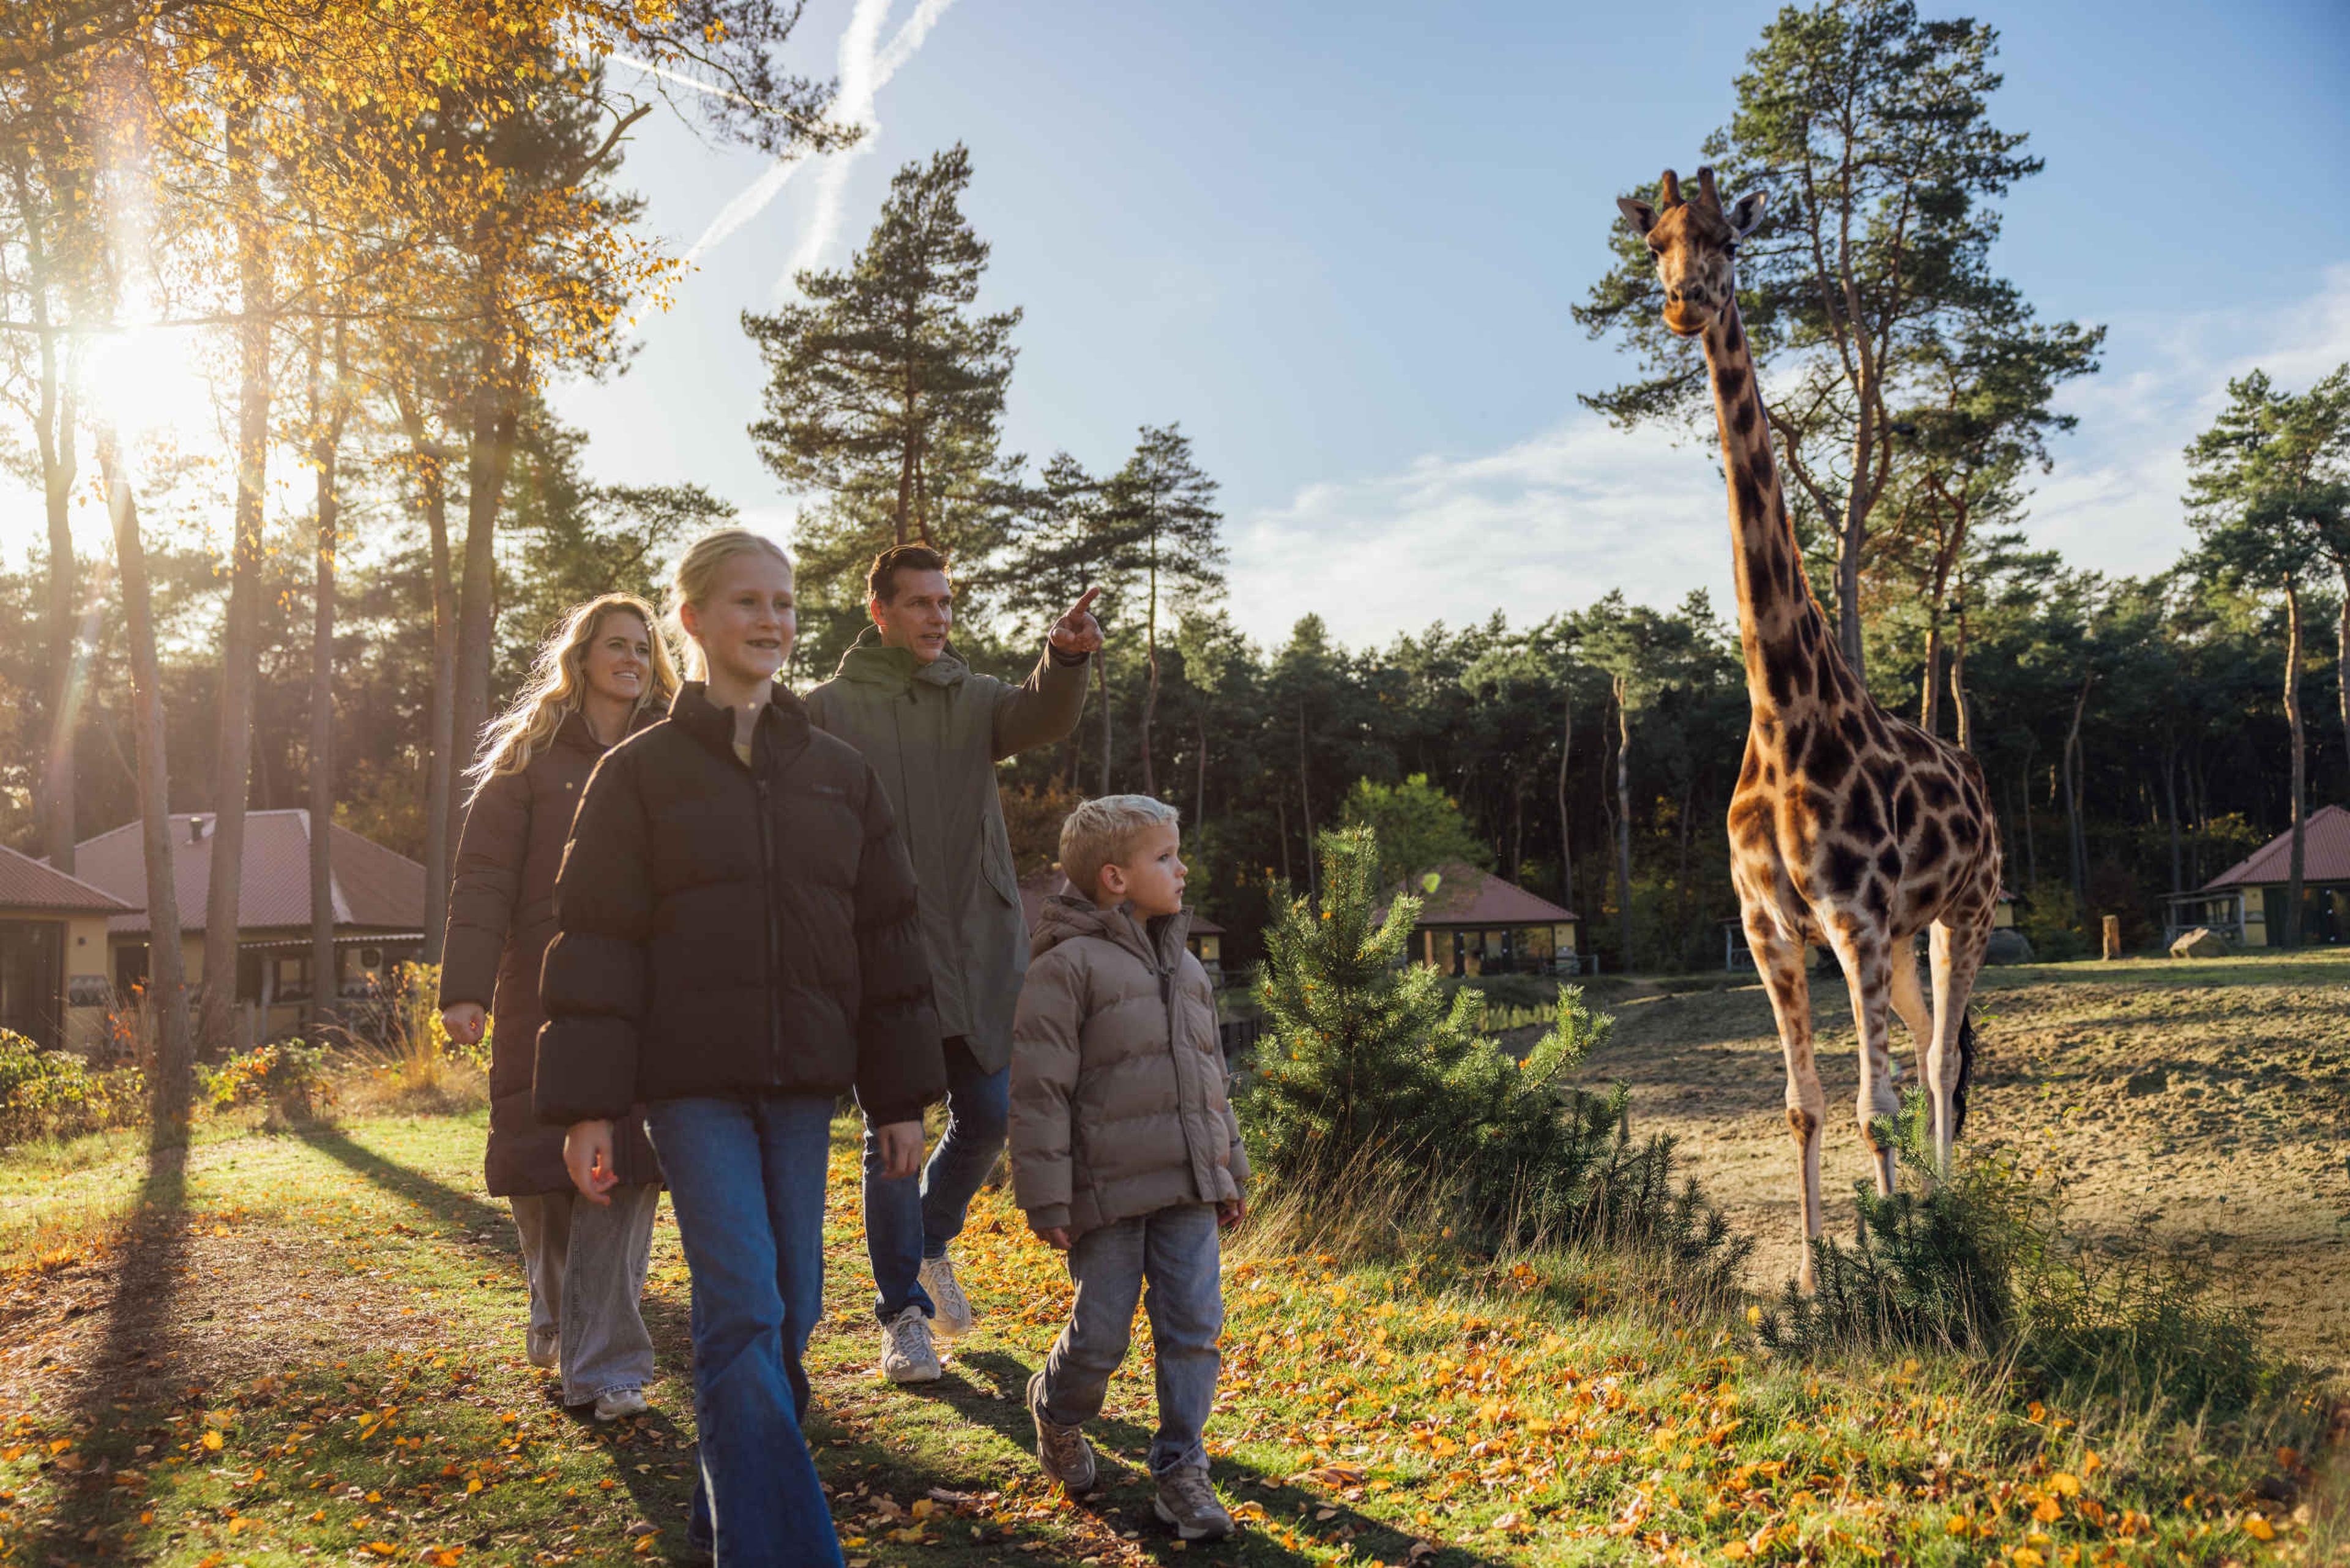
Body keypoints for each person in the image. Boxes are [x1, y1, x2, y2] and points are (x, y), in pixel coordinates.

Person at [537, 529, 945, 1566]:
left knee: (793, 1309)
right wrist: (590, 1103)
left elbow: (890, 942)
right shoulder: (636, 775)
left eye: (787, 603)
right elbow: (596, 943)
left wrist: (900, 1097)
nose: (773, 621)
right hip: (691, 1088)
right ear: (695, 620)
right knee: (741, 1308)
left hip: (805, 1089)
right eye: (749, 602)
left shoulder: (841, 776)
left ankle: (722, 1524)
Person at [805, 544, 1099, 1383]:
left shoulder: (973, 699)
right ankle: (901, 1312)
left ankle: (932, 1237)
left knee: (990, 1114)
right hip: (884, 955)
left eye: (945, 600)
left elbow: (1040, 715)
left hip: (979, 946)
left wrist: (1066, 655)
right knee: (892, 1137)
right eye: (921, 603)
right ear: (881, 613)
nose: (939, 615)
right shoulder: (827, 709)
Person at [440, 594, 677, 1422]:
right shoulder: (530, 758)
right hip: (539, 985)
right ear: (581, 659)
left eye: (644, 649)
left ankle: (605, 1363)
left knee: (627, 1170)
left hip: (645, 992)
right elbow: (483, 881)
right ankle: (558, 1310)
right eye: (617, 646)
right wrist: (465, 987)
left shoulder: (673, 749)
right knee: (543, 1176)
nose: (633, 660)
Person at [1010, 794, 1247, 1542]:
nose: (1183, 868)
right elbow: (1040, 1089)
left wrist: (1227, 1169)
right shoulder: (1067, 967)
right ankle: (1056, 1410)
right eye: (1165, 857)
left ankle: (1181, 1470)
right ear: (1115, 877)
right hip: (1104, 1195)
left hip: (1185, 1186)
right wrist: (1047, 1197)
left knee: (1194, 1328)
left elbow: (1213, 1079)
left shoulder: (1186, 967)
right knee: (1100, 1336)